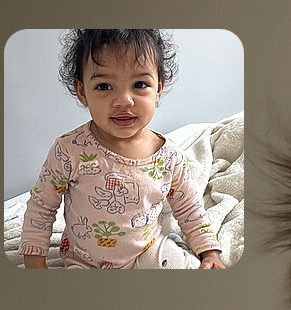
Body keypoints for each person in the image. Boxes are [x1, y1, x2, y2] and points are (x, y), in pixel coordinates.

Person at [20, 29, 225, 270]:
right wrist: (35, 264)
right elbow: (41, 206)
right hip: (85, 263)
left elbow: (190, 207)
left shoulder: (170, 157)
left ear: (158, 89)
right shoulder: (68, 151)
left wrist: (209, 251)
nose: (124, 100)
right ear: (82, 91)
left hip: (149, 252)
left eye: (139, 84)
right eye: (104, 86)